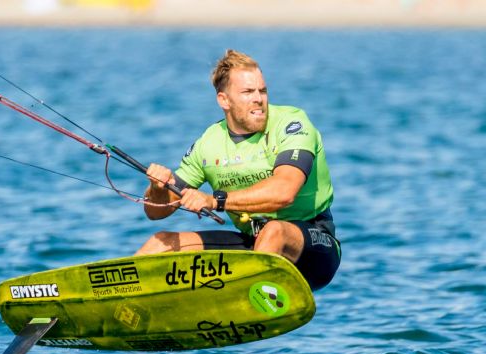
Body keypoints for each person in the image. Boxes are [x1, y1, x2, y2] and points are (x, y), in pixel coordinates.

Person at [135, 49, 340, 291]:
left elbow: (284, 192)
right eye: (247, 92)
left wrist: (215, 201)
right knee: (160, 242)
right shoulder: (209, 143)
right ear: (224, 100)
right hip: (255, 242)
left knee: (274, 231)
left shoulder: (292, 124)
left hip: (314, 248)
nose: (259, 99)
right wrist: (157, 188)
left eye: (262, 91)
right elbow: (155, 211)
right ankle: (121, 301)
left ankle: (247, 299)